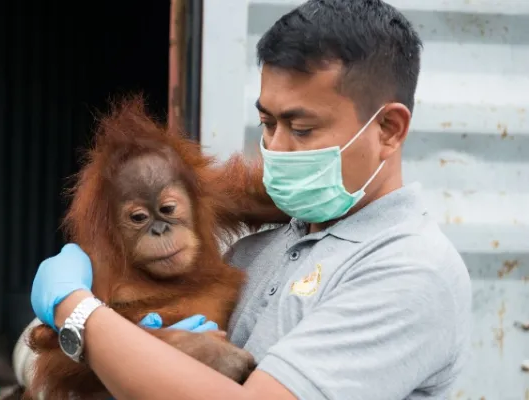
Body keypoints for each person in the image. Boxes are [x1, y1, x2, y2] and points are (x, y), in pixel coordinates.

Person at [27, 0, 472, 399]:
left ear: (389, 129)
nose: (275, 148)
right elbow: (41, 363)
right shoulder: (259, 251)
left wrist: (77, 311)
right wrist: (141, 343)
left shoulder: (410, 269)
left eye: (301, 129)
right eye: (266, 123)